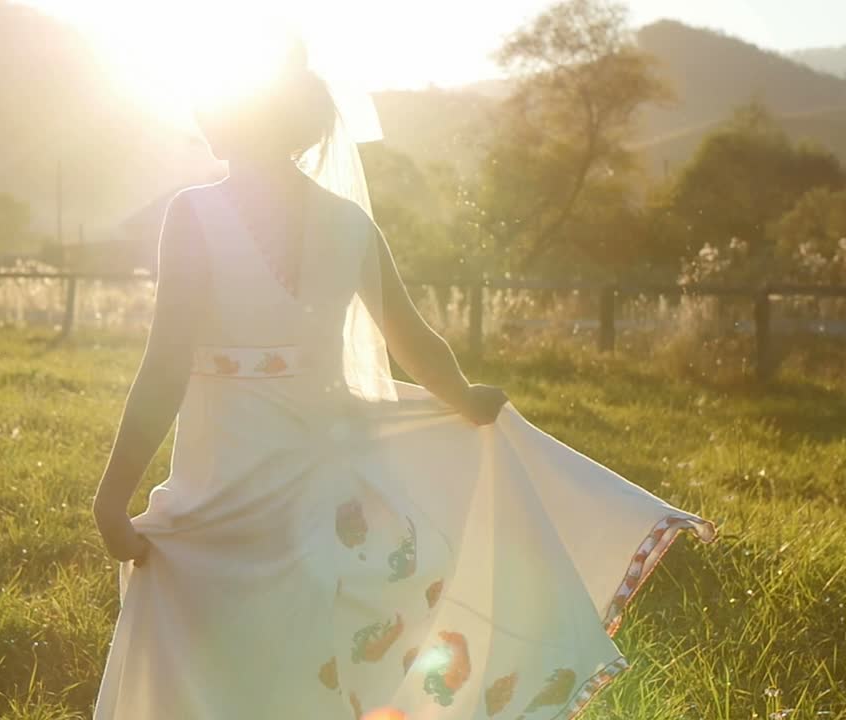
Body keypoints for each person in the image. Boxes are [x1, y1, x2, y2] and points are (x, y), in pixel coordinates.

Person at [91, 36, 716, 720]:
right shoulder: (347, 222)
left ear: (234, 116)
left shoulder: (194, 214)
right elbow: (414, 340)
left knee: (215, 639)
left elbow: (165, 364)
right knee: (306, 640)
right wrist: (465, 399)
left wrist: (111, 498)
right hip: (317, 484)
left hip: (228, 480)